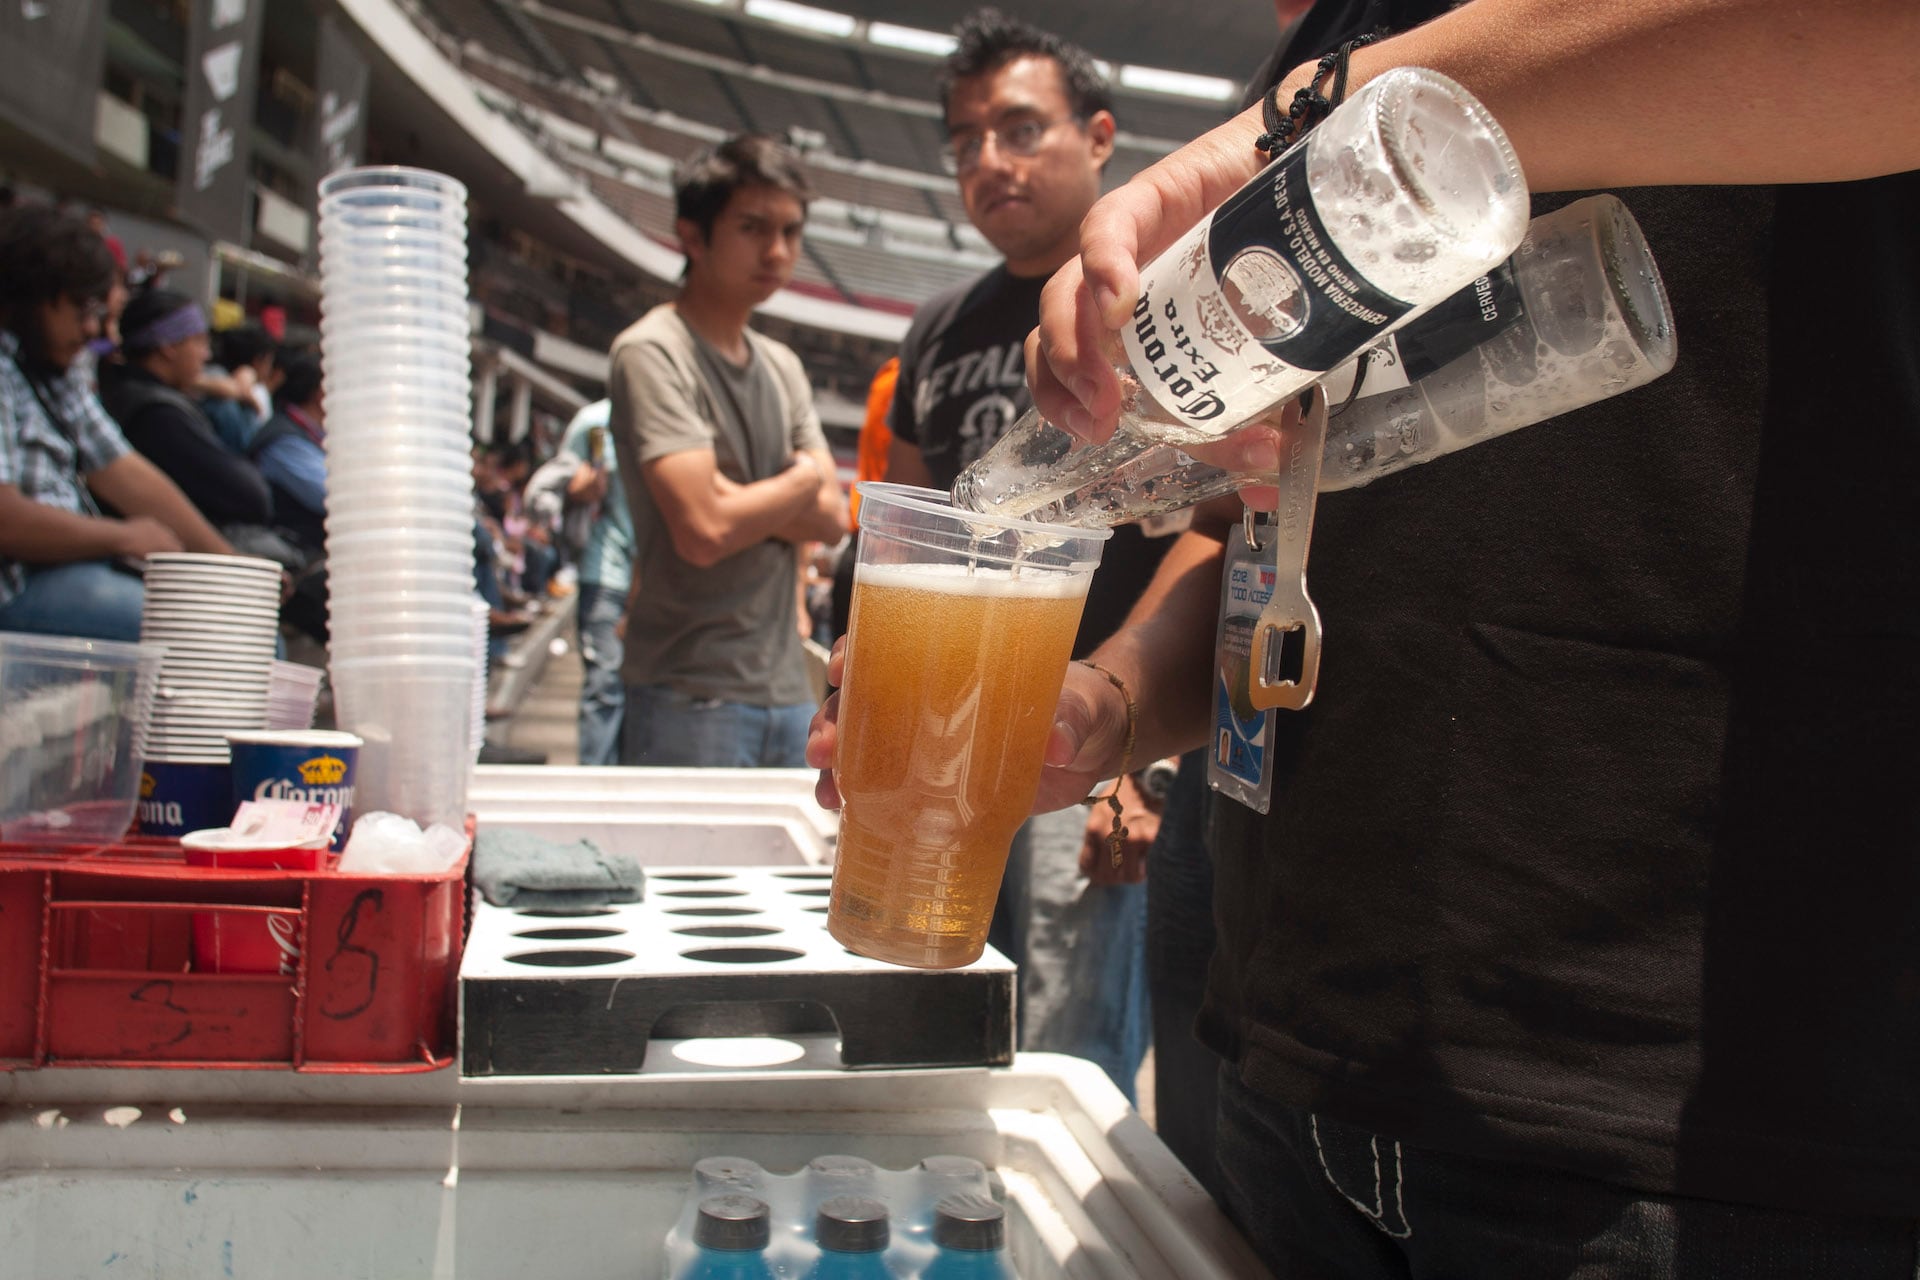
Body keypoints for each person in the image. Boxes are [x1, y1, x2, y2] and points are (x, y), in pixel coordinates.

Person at [957, 0, 1917, 1273]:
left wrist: (1298, 129)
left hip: (1683, 1108)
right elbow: (1278, 512)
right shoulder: (1338, 40)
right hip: (1297, 1058)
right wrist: (1113, 701)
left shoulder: (1320, 93)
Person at [870, 10, 1181, 1102]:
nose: (987, 162)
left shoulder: (1162, 301)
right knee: (922, 1028)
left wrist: (1138, 752)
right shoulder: (940, 331)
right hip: (931, 743)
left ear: (1098, 136)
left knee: (1063, 1054)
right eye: (964, 142)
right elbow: (904, 521)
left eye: (1018, 129)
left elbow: (1216, 525)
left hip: (1080, 741)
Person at [607, 133, 847, 769]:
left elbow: (832, 517)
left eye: (792, 231)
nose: (777, 251)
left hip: (784, 688)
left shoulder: (783, 366)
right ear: (692, 235)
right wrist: (797, 480)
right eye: (752, 227)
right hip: (687, 689)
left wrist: (743, 500)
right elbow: (705, 531)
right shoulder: (653, 352)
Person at [0, 205, 232, 641]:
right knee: (218, 635)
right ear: (32, 296)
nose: (94, 330)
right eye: (83, 310)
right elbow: (6, 519)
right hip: (17, 589)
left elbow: (122, 470)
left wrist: (229, 562)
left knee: (244, 620)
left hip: (72, 572)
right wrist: (121, 536)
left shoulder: (52, 369)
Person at [98, 288, 280, 543]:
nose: (205, 355)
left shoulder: (130, 392)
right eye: (199, 342)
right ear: (168, 347)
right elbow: (252, 496)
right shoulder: (158, 415)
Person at [533, 398, 635, 766]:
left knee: (648, 692)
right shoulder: (595, 422)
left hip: (660, 579)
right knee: (605, 683)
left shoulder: (680, 415)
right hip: (606, 570)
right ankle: (599, 788)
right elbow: (546, 494)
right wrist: (578, 489)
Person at [249, 350, 327, 557]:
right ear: (321, 393)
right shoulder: (284, 442)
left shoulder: (313, 435)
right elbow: (335, 497)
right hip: (298, 556)